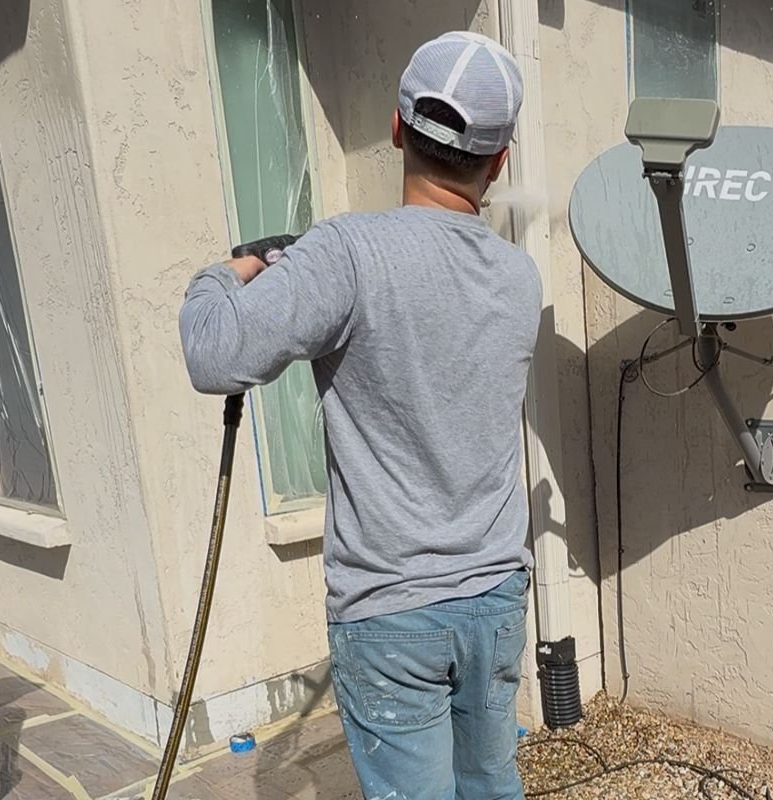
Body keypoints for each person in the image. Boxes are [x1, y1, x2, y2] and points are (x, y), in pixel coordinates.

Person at [179, 31, 538, 800]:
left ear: (398, 127)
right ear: (499, 159)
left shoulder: (346, 252)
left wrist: (225, 274)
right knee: (491, 788)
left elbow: (214, 355)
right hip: (497, 597)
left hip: (392, 614)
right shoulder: (517, 275)